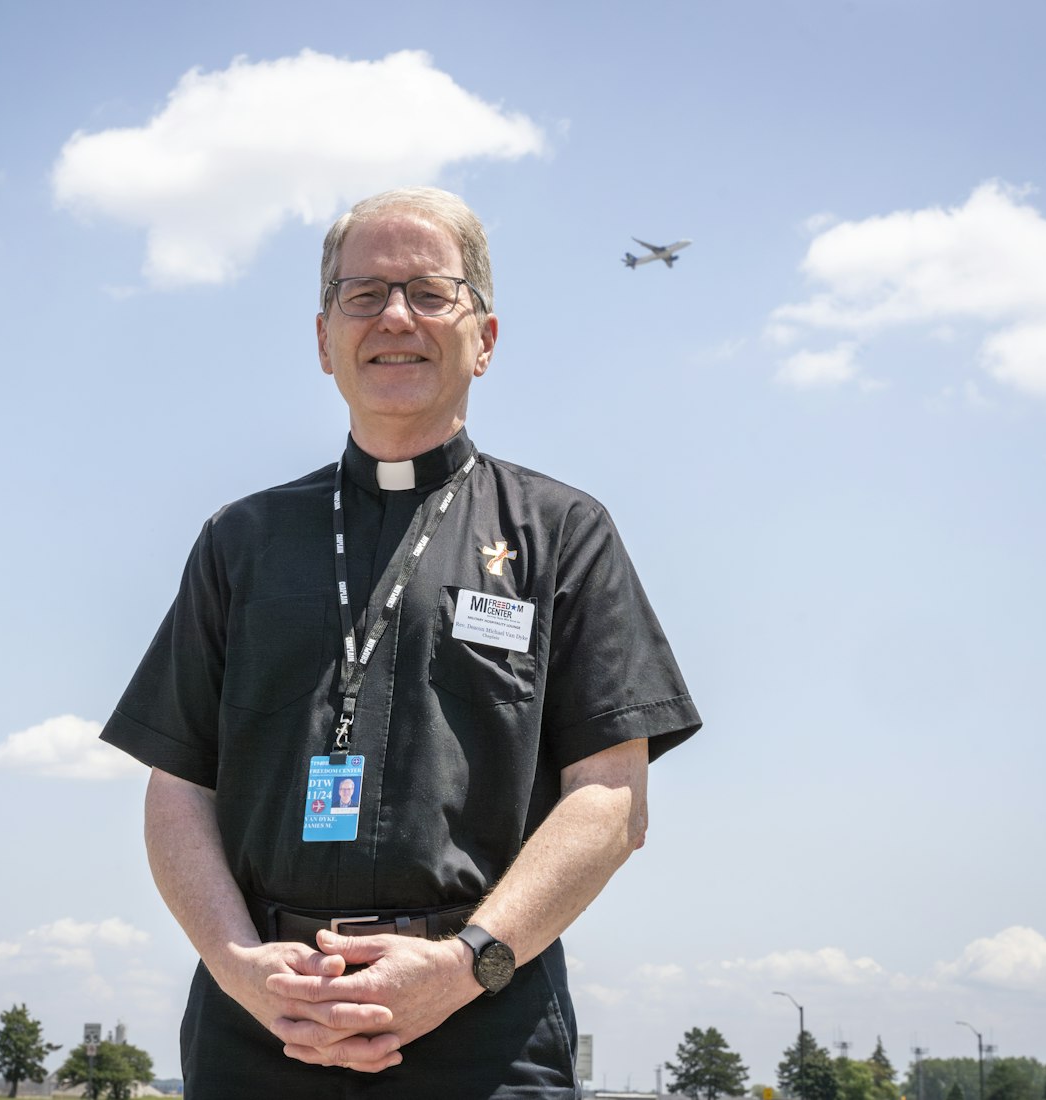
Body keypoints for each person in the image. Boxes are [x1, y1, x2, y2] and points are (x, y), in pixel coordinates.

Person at [101, 186, 700, 1098]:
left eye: (428, 291)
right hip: (265, 1022)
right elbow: (178, 786)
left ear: (485, 338)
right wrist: (239, 969)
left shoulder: (563, 532)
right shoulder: (241, 540)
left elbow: (612, 800)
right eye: (362, 293)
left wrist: (465, 966)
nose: (394, 317)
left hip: (486, 1020)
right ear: (323, 340)